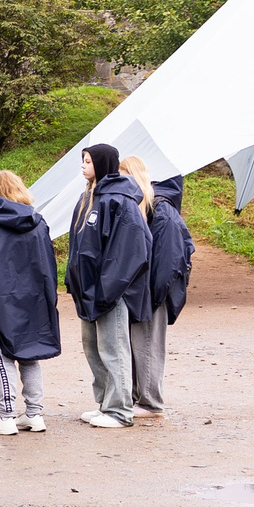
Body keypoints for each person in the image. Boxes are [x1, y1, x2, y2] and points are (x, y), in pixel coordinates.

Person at [0, 171, 61, 435]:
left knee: (3, 356)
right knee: (31, 355)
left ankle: (6, 416)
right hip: (35, 301)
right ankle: (34, 414)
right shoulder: (39, 224)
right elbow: (49, 265)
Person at [64, 143, 152, 429]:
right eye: (83, 160)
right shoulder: (87, 198)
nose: (83, 166)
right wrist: (74, 279)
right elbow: (79, 246)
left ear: (101, 164)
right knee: (93, 348)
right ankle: (105, 403)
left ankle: (120, 411)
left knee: (114, 349)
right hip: (87, 290)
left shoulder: (120, 201)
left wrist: (109, 289)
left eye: (88, 161)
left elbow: (132, 250)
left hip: (109, 292)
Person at [124, 161, 194, 415]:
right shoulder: (150, 207)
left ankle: (150, 402)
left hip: (153, 292)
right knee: (137, 343)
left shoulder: (162, 209)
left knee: (148, 344)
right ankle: (137, 397)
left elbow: (168, 261)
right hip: (144, 290)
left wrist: (152, 295)